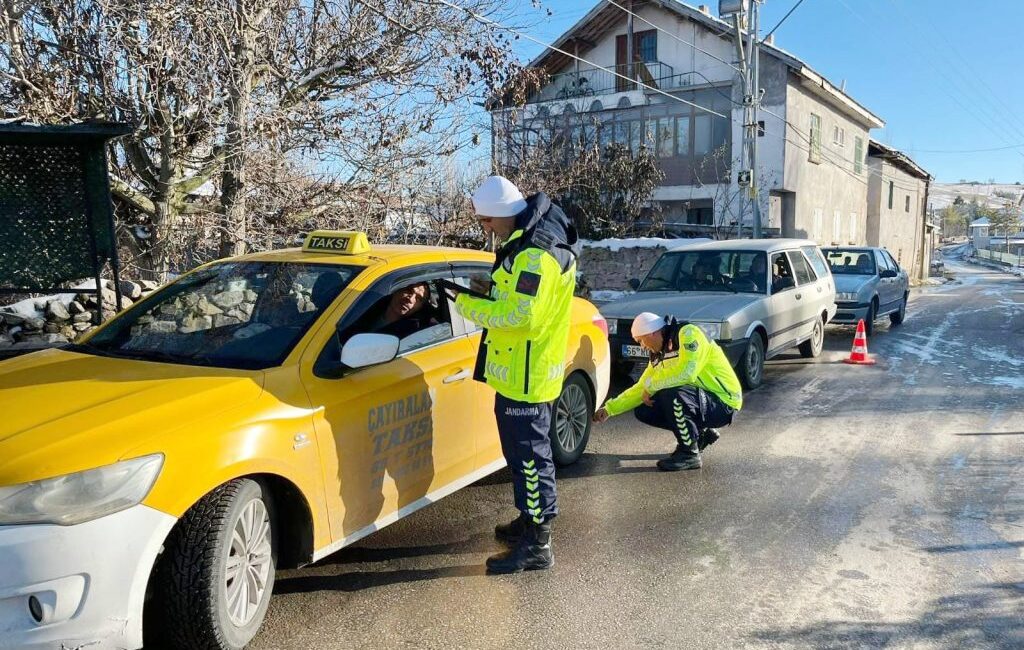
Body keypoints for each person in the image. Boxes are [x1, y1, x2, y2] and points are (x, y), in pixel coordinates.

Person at [453, 175, 580, 574]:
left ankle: (538, 544)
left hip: (529, 378)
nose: (486, 230)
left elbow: (521, 317)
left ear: (503, 214)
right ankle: (529, 520)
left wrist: (468, 309)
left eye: (487, 221)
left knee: (530, 460)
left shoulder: (536, 255)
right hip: (520, 375)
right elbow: (511, 298)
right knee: (521, 455)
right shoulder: (523, 243)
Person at [593, 312, 743, 471]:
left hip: (725, 401)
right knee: (644, 410)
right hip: (702, 401)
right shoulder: (659, 355)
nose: (642, 346)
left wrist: (652, 387)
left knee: (671, 394)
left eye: (641, 340)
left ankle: (689, 454)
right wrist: (610, 409)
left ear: (652, 332)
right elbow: (641, 387)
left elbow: (687, 372)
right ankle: (699, 435)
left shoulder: (688, 333)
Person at [372, 283, 438, 339]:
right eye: (409, 291)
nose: (411, 300)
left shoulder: (412, 333)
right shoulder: (371, 303)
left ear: (420, 307)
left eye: (418, 299)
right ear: (397, 290)